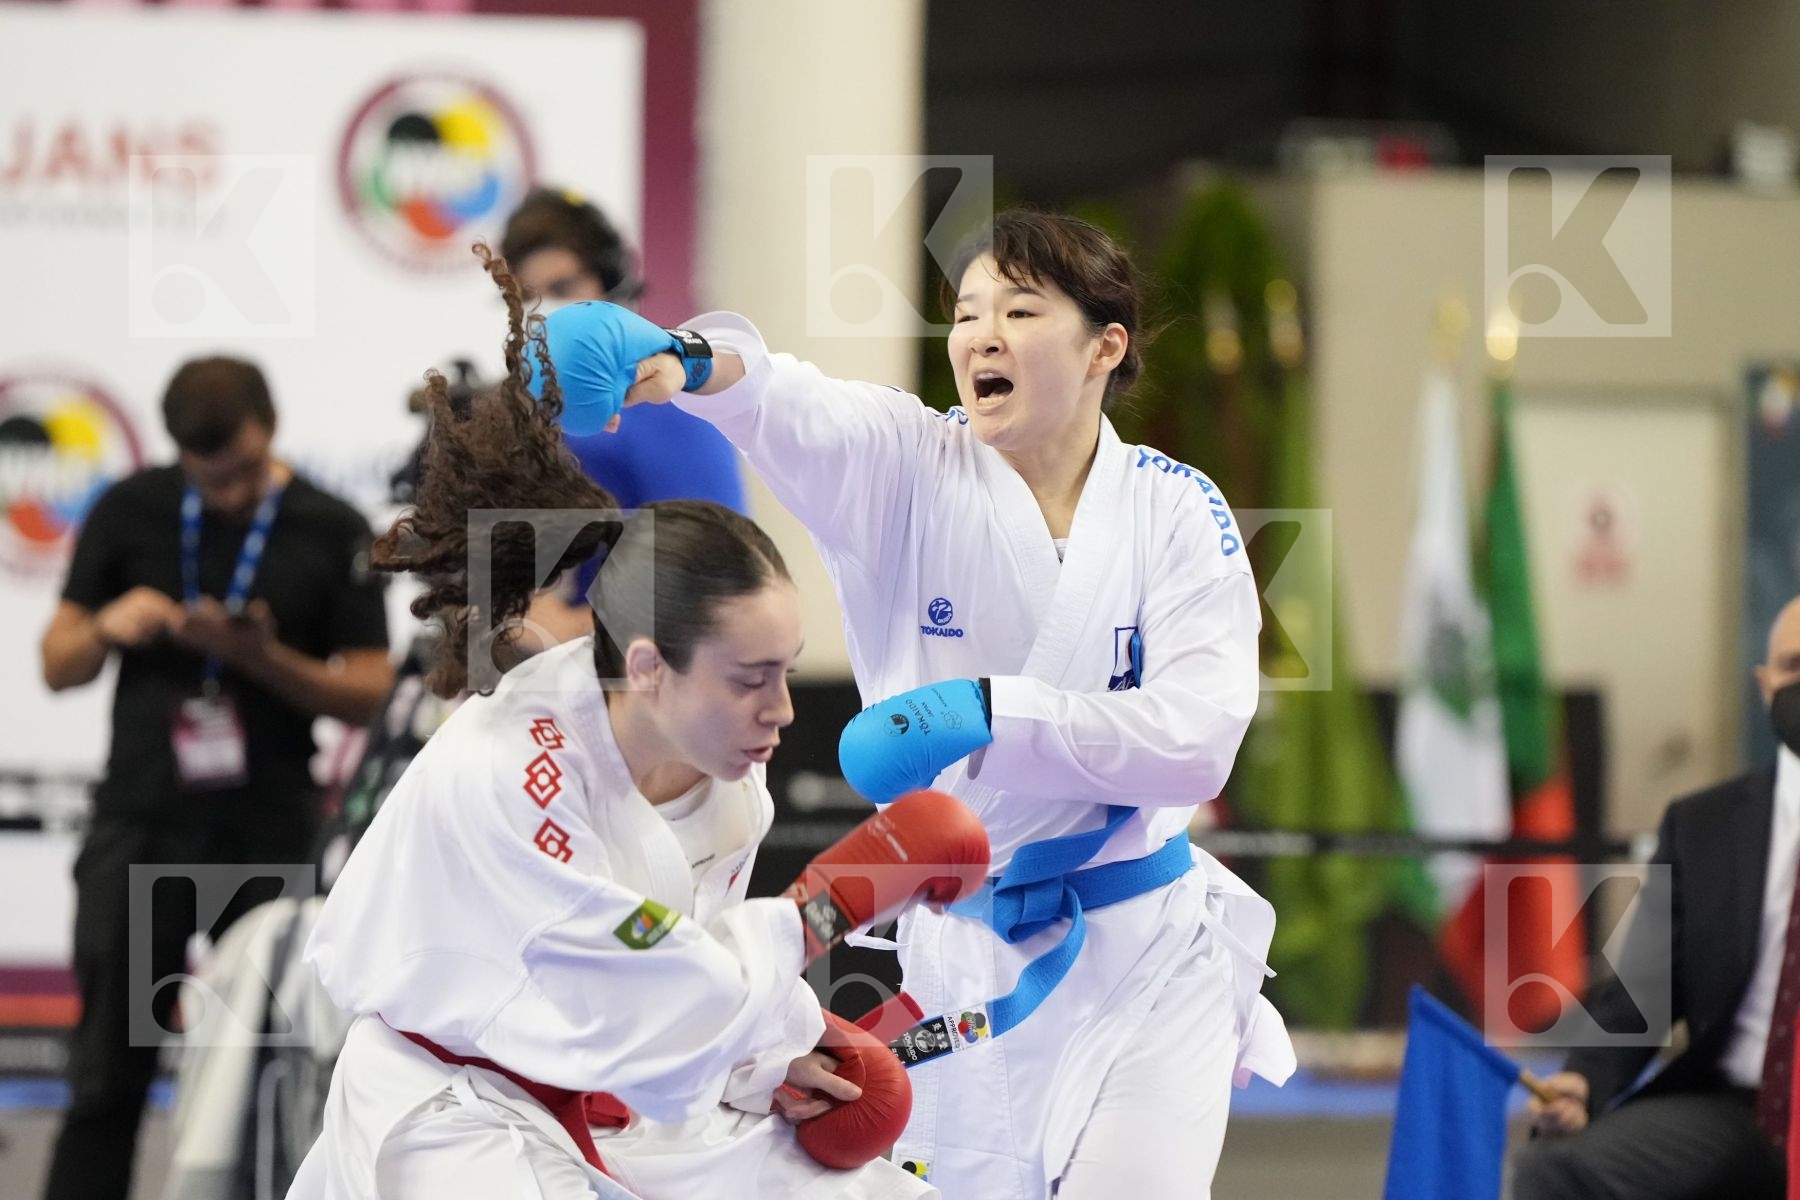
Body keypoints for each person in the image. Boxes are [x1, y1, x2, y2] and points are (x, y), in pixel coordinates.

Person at [533, 210, 1296, 1199]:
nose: (982, 332)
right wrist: (680, 356)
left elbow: (1195, 748)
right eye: (968, 311)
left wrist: (988, 712)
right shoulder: (906, 464)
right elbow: (786, 402)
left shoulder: (1178, 511)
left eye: (1021, 310)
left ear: (1105, 346)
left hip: (1146, 956)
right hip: (968, 955)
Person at [287, 246, 989, 1199]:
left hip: (615, 1095)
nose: (782, 711)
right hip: (452, 1112)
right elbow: (645, 977)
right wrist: (835, 901)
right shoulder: (517, 769)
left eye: (785, 672)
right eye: (750, 679)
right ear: (650, 667)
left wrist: (778, 1054)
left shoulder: (731, 780)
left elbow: (690, 984)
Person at [36, 356, 394, 1200]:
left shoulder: (330, 525)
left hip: (266, 837)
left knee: (271, 1072)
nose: (227, 493)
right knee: (108, 1077)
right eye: (208, 477)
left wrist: (263, 659)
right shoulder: (132, 507)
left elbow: (370, 692)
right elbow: (57, 661)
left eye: (239, 472)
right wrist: (108, 629)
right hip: (145, 827)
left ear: (268, 429)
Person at [1513, 594, 1800, 1199]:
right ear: (1764, 683)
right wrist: (1586, 1081)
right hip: (1733, 1107)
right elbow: (1641, 990)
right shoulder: (1705, 825)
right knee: (1555, 1169)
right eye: (1794, 666)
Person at [501, 187, 746, 650]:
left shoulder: (673, 402)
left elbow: (719, 572)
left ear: (612, 281)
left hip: (646, 686)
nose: (543, 311)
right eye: (525, 298)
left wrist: (570, 629)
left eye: (561, 288)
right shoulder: (522, 409)